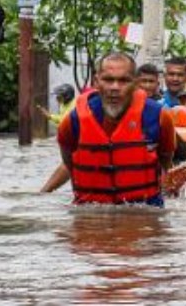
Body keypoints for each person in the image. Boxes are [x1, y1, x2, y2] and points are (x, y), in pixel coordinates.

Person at [56, 52, 176, 206]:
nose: (115, 87)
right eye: (108, 80)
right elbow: (69, 163)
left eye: (124, 80)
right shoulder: (73, 121)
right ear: (96, 81)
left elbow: (166, 162)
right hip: (90, 215)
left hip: (144, 214)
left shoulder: (159, 118)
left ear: (135, 83)